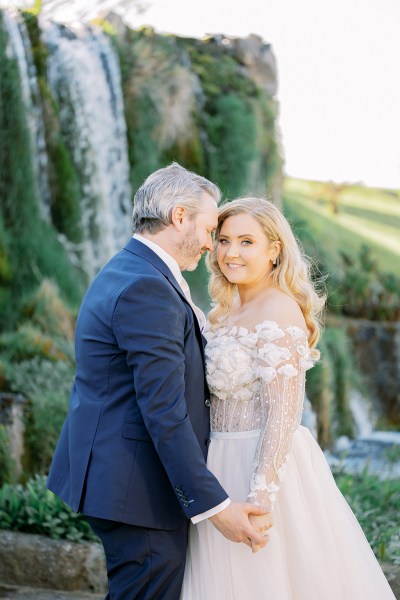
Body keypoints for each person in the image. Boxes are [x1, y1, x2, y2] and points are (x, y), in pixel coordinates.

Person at [47, 164, 269, 600]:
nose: (211, 244)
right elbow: (164, 411)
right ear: (180, 217)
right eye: (209, 229)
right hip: (138, 487)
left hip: (122, 475)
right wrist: (216, 507)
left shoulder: (132, 269)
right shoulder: (147, 286)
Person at [180, 197, 395, 599]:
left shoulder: (279, 309)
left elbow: (283, 413)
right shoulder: (223, 313)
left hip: (262, 467)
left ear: (274, 250)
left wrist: (260, 496)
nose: (231, 252)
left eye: (247, 242)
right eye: (224, 240)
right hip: (217, 463)